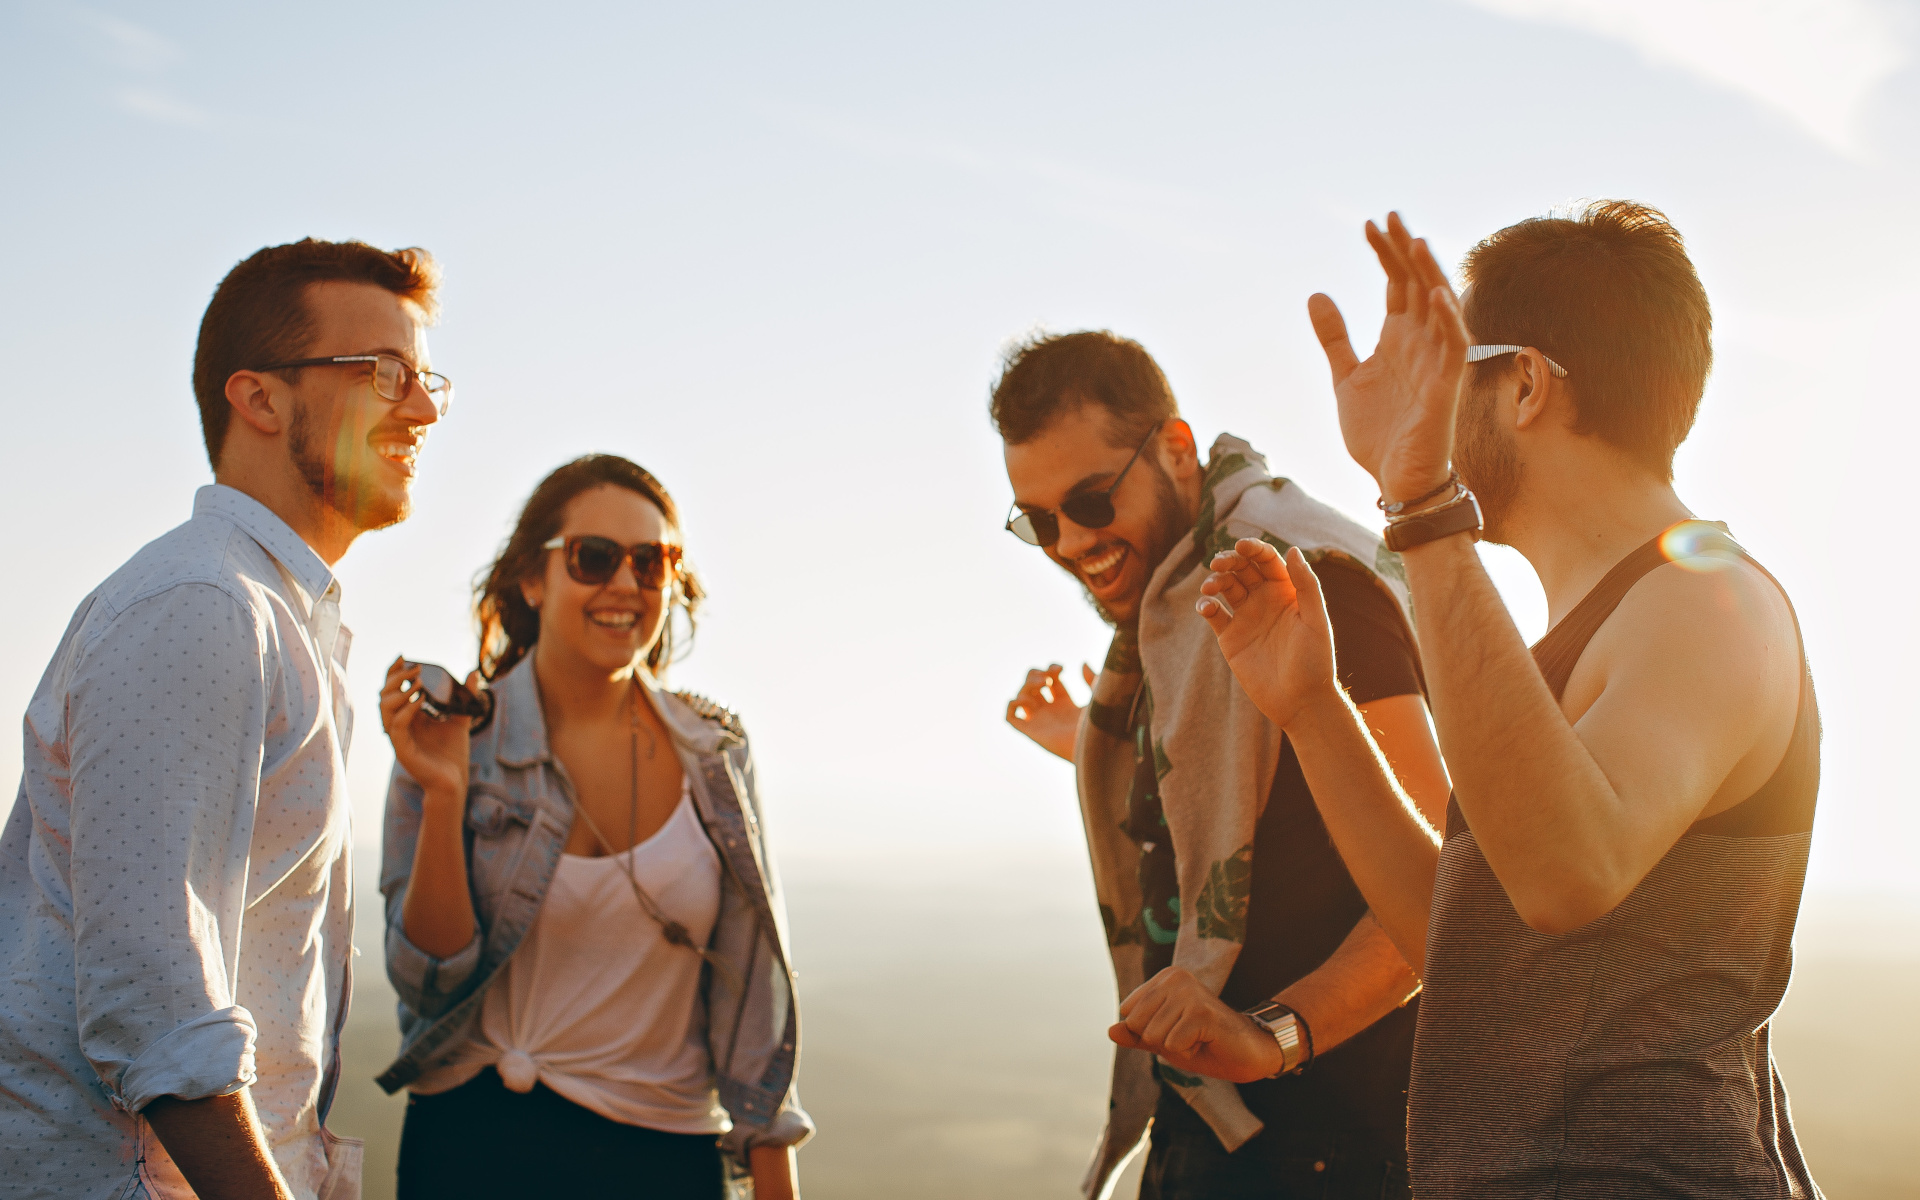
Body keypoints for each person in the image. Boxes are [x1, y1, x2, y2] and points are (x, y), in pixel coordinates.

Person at [1119, 203, 1824, 1198]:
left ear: (1526, 384)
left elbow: (1566, 876)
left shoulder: (1711, 601)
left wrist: (1419, 506)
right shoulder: (1566, 644)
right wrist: (1315, 711)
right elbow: (1463, 946)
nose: (1427, 408)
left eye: (1450, 373)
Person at [0, 240, 447, 1199]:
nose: (421, 408)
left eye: (425, 378)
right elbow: (158, 1009)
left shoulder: (276, 615)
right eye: (384, 373)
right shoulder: (205, 603)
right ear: (260, 397)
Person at [995, 332, 1451, 1200]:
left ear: (1173, 448)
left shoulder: (1307, 584)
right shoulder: (1174, 613)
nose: (1067, 543)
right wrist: (1098, 745)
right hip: (1213, 1130)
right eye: (1038, 520)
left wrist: (1275, 1037)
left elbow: (1438, 886)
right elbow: (1252, 804)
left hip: (1333, 1146)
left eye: (1090, 501)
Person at [374, 454, 810, 1199]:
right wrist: (444, 794)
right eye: (595, 558)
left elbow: (753, 1017)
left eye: (653, 562)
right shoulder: (454, 738)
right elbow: (428, 982)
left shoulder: (716, 756)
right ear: (532, 578)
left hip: (662, 1160)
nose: (625, 585)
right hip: (470, 1151)